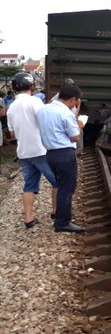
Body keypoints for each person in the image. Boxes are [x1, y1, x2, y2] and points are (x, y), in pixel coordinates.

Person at [6, 72, 58, 229]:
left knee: (29, 185)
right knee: (58, 181)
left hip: (23, 152)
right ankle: (56, 212)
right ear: (31, 85)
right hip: (40, 150)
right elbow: (46, 120)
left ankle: (29, 219)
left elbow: (12, 133)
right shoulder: (35, 102)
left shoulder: (11, 108)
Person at [37, 84, 86, 233]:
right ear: (73, 99)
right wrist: (80, 124)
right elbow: (75, 137)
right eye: (76, 101)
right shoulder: (66, 113)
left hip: (50, 154)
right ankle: (62, 222)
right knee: (66, 189)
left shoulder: (43, 110)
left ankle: (61, 217)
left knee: (60, 185)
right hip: (64, 154)